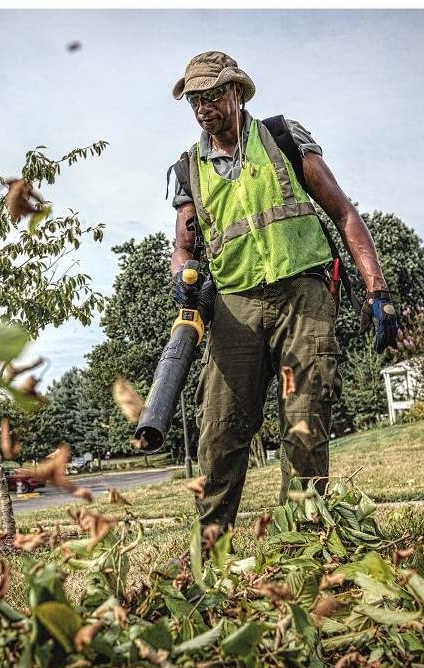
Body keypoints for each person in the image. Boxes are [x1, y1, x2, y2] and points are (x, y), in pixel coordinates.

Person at [168, 51, 399, 533]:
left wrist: (377, 291)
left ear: (236, 92)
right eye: (194, 100)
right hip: (235, 308)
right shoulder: (189, 169)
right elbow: (184, 247)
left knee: (304, 420)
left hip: (302, 297)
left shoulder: (282, 138)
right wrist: (183, 276)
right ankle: (211, 548)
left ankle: (305, 544)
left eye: (212, 95)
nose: (203, 107)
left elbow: (344, 213)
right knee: (219, 431)